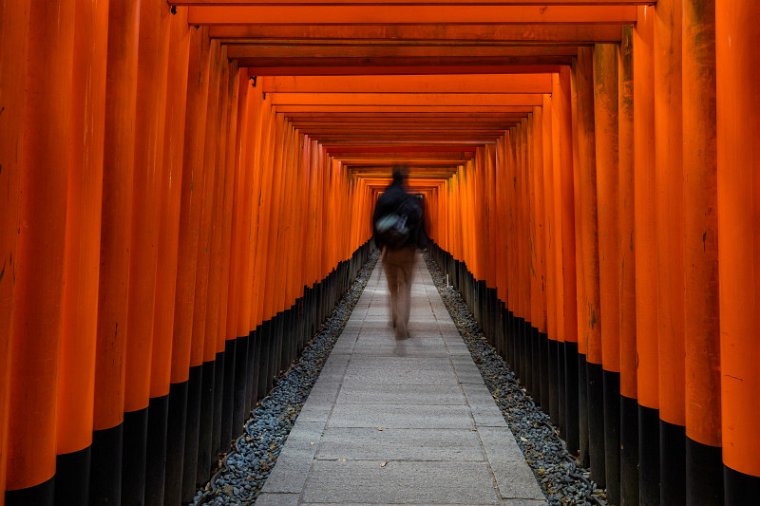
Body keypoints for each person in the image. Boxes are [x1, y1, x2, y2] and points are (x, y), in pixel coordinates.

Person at [372, 167, 425, 339]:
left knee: (393, 288)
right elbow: (421, 224)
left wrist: (380, 246)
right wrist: (419, 245)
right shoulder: (411, 199)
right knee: (406, 288)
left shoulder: (384, 199)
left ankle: (395, 319)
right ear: (405, 179)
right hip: (408, 250)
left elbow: (374, 224)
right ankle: (403, 323)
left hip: (389, 250)